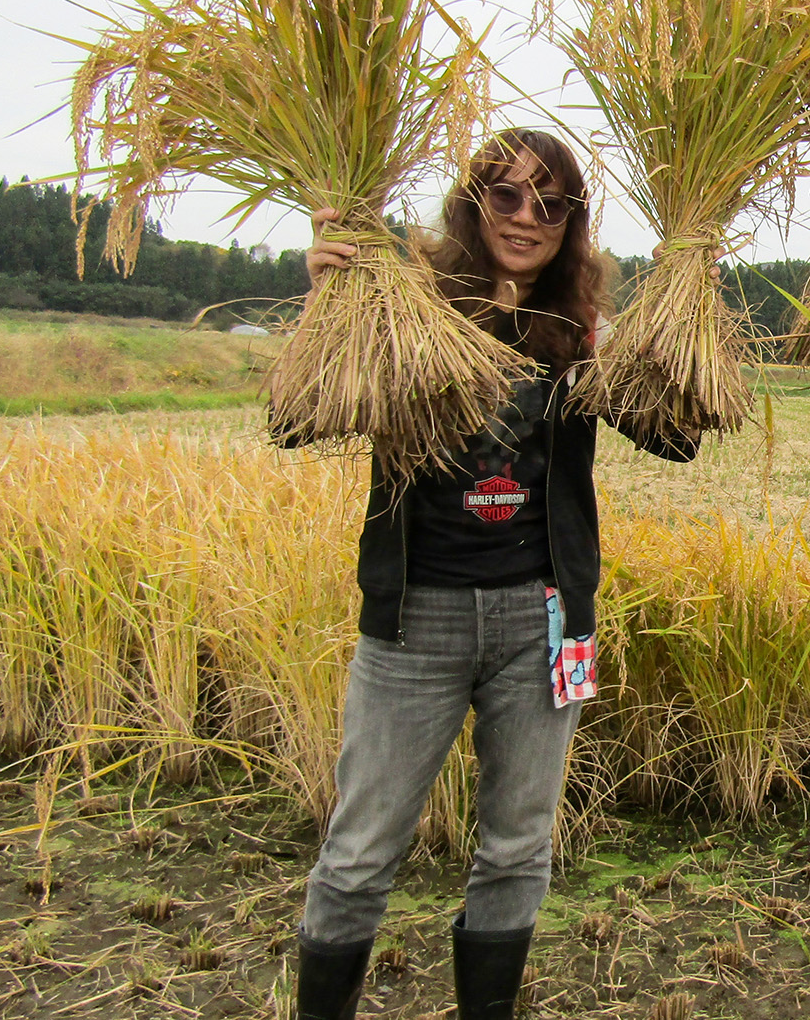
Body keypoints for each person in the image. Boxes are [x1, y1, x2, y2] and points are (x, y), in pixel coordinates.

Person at [286, 129, 699, 1020]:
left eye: (551, 205)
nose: (526, 218)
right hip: (415, 619)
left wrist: (680, 315)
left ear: (572, 223)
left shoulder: (582, 331)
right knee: (360, 848)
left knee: (517, 850)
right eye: (506, 196)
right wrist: (327, 303)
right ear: (473, 203)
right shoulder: (410, 307)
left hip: (542, 619)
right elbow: (296, 420)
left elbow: (677, 440)